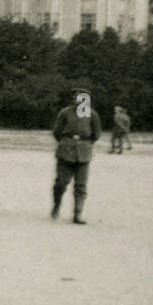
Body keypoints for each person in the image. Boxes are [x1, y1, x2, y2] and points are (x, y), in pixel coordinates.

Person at [52, 85, 102, 224]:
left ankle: (77, 214)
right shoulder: (65, 113)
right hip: (65, 151)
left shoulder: (92, 115)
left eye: (80, 98)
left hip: (84, 153)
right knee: (61, 183)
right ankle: (56, 205)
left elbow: (96, 134)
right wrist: (66, 143)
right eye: (74, 97)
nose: (76, 100)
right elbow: (57, 132)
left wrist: (84, 144)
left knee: (81, 185)